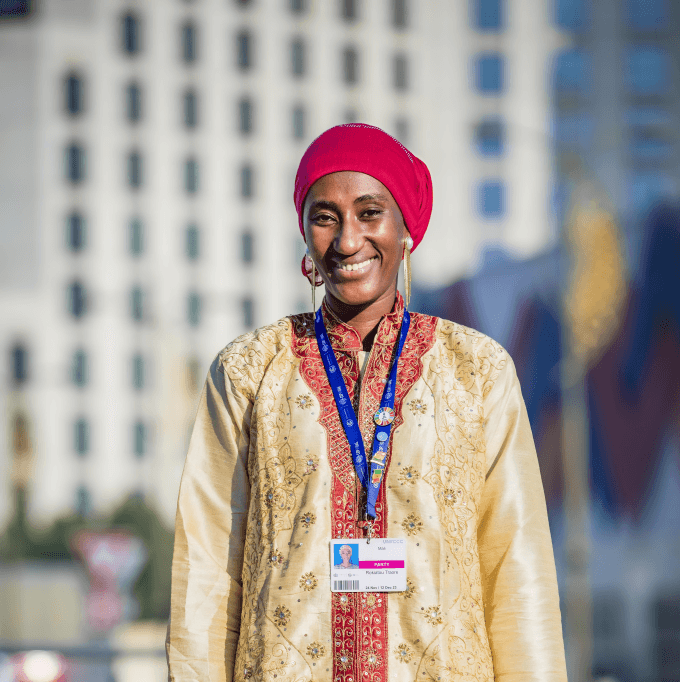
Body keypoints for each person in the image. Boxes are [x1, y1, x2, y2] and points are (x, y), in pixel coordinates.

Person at [166, 124, 568, 682]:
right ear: (305, 234)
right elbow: (207, 568)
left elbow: (515, 565)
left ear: (406, 230)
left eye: (370, 213)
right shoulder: (248, 370)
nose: (348, 240)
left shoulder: (476, 370)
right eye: (325, 217)